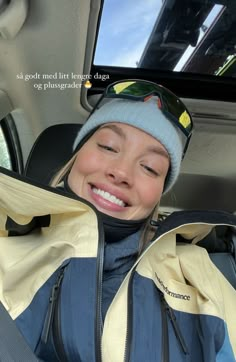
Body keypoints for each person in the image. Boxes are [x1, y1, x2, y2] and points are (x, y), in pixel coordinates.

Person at [0, 79, 235, 362]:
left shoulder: (199, 272)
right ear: (77, 155)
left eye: (150, 167)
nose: (121, 172)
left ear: (159, 193)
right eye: (109, 147)